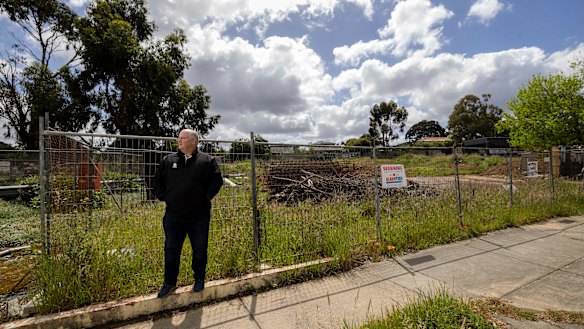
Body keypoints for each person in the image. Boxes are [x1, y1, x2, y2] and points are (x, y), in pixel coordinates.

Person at [155, 129, 223, 298]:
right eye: (179, 138)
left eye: (183, 138)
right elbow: (157, 180)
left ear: (193, 141)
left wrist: (205, 198)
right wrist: (164, 196)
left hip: (199, 216)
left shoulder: (208, 161)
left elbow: (217, 181)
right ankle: (169, 283)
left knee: (200, 249)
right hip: (173, 215)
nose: (179, 141)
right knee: (171, 249)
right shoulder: (168, 160)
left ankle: (199, 279)